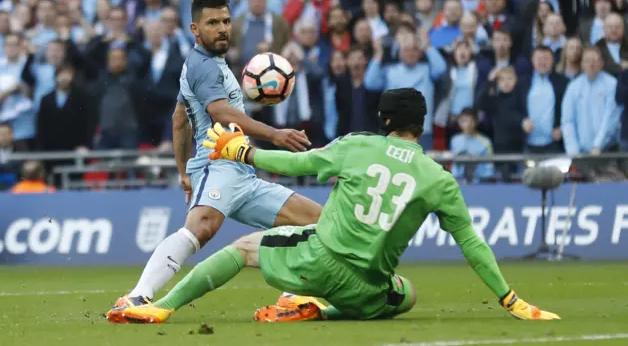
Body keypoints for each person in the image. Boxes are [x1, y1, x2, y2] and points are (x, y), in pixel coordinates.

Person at [113, 88, 560, 324]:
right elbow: (471, 243)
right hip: (370, 289)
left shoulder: (358, 147)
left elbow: (295, 164)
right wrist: (510, 297)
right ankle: (323, 310)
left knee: (245, 247)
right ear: (421, 126)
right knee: (408, 293)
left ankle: (162, 306)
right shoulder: (439, 179)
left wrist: (240, 152)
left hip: (320, 263)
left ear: (384, 121)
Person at [106, 0, 321, 322]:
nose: (222, 28)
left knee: (319, 222)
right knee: (201, 227)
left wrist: (182, 172)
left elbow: (179, 120)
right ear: (195, 29)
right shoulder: (203, 65)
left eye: (226, 21)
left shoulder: (207, 65)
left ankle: (293, 296)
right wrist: (275, 133)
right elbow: (220, 113)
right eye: (212, 22)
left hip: (242, 173)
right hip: (218, 164)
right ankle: (135, 297)